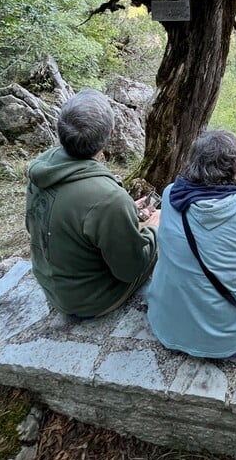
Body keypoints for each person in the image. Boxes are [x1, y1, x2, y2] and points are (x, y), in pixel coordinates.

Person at [146, 129, 236, 359]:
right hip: (230, 340)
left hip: (166, 326)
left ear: (193, 161)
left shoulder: (172, 195)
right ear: (235, 167)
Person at [25, 88, 159, 318]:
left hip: (51, 284)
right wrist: (155, 230)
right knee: (165, 228)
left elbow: (38, 225)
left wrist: (125, 211)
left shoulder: (43, 167)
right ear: (111, 132)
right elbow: (130, 270)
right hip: (90, 299)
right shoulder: (108, 199)